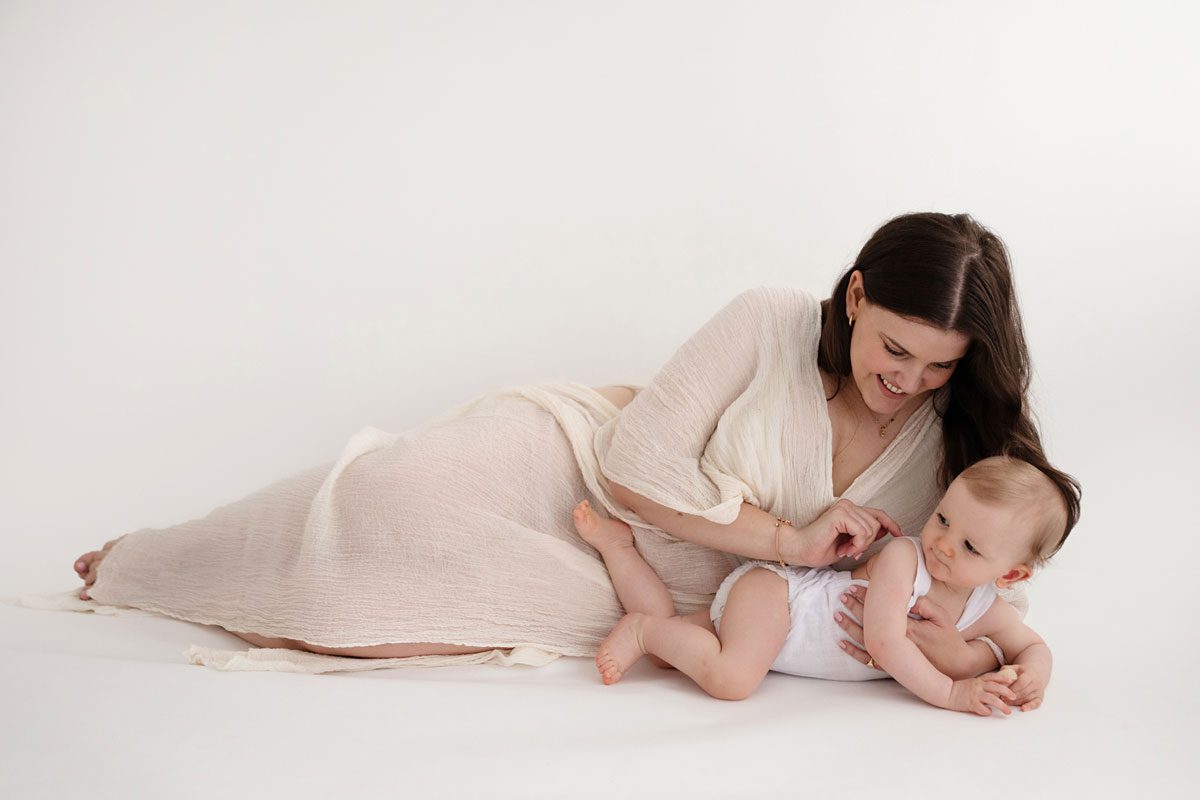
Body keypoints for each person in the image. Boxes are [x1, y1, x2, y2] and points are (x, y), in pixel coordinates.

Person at [72, 212, 1080, 677]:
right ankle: (155, 558)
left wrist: (971, 652)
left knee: (369, 619)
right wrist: (784, 538)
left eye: (939, 366)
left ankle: (239, 587)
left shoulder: (958, 443)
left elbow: (987, 575)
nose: (907, 380)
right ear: (856, 294)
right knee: (389, 495)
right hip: (594, 471)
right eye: (894, 348)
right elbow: (636, 461)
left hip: (682, 584)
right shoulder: (773, 317)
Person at [578, 456, 1072, 714]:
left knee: (675, 650)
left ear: (1010, 574)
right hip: (781, 599)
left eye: (970, 548)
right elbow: (883, 639)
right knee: (731, 680)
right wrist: (949, 693)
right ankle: (642, 630)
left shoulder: (985, 607)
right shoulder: (906, 558)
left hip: (776, 637)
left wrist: (1034, 676)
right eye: (943, 519)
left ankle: (622, 558)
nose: (942, 544)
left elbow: (1031, 645)